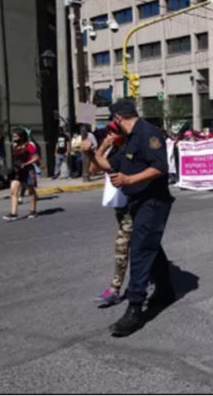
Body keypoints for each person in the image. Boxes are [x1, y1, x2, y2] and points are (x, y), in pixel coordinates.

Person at [81, 100, 176, 337]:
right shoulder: (130, 139)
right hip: (137, 202)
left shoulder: (148, 133)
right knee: (150, 247)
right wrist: (90, 153)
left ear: (118, 119)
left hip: (153, 202)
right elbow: (106, 165)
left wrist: (129, 180)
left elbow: (160, 167)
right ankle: (165, 291)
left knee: (140, 251)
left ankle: (135, 309)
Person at [94, 122, 133, 308]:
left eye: (113, 132)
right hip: (119, 207)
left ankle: (115, 289)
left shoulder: (127, 150)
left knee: (122, 247)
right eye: (108, 132)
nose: (110, 135)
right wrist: (103, 146)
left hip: (131, 207)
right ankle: (153, 277)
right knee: (141, 246)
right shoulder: (111, 151)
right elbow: (93, 169)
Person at [4, 129, 40, 221]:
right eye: (13, 136)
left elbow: (36, 158)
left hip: (27, 170)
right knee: (13, 191)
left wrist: (26, 164)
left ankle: (33, 211)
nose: (14, 138)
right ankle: (13, 213)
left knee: (30, 190)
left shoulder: (29, 145)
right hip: (17, 171)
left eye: (16, 136)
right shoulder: (16, 146)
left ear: (22, 136)